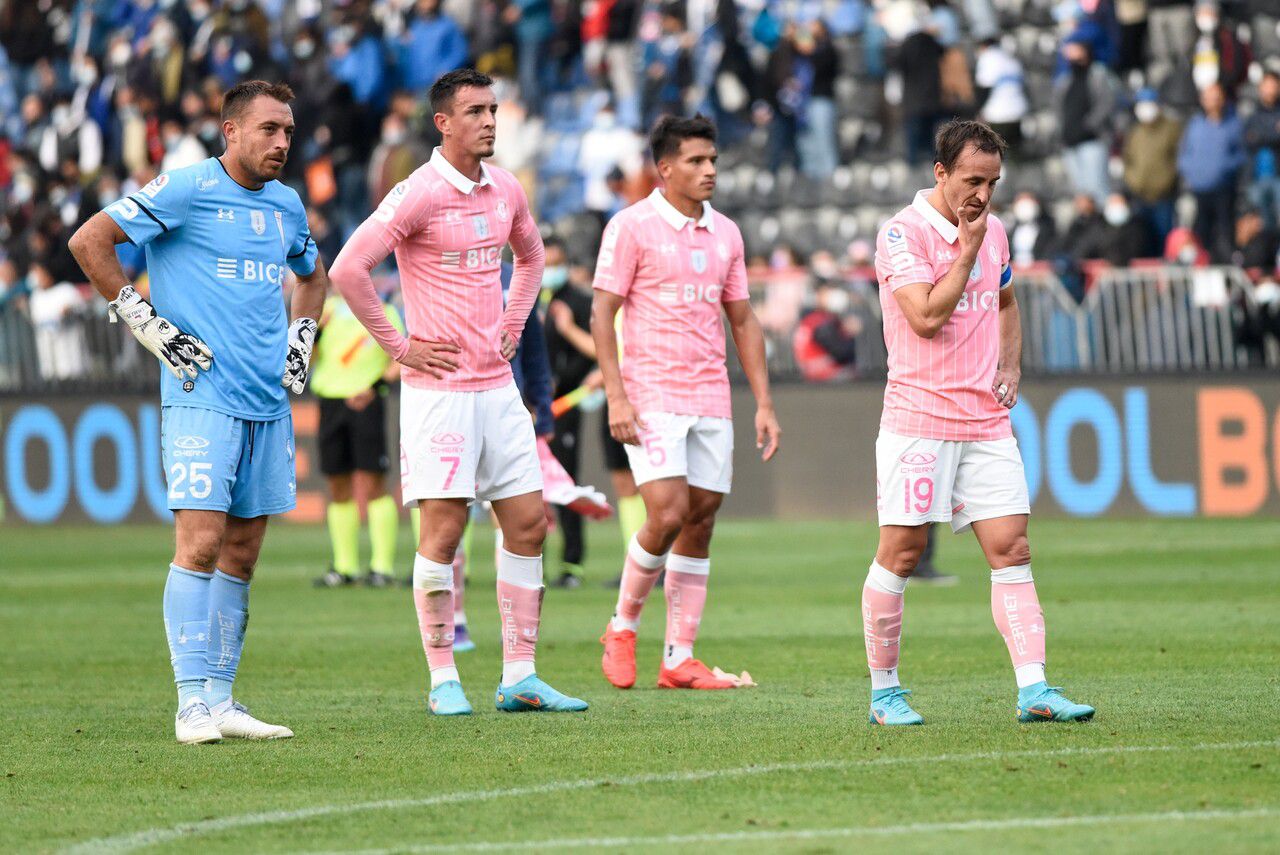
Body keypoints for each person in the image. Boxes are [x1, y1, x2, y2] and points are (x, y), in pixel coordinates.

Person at [67, 80, 329, 744]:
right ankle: (189, 703)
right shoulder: (184, 188)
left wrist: (303, 335)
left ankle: (221, 698)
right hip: (200, 394)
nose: (281, 143)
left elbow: (314, 274)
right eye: (269, 129)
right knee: (202, 543)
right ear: (230, 131)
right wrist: (143, 320)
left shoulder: (286, 205)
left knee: (241, 553)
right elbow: (90, 241)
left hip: (266, 402)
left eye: (289, 132)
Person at [329, 69, 587, 717]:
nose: (491, 121)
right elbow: (347, 269)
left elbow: (531, 260)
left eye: (494, 110)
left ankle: (520, 675)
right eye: (475, 111)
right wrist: (399, 345)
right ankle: (443, 675)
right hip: (437, 391)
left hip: (498, 389)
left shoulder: (506, 188)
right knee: (442, 534)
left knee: (528, 523)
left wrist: (513, 319)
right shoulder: (416, 194)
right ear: (443, 122)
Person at [864, 119, 1094, 726]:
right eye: (972, 180)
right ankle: (885, 693)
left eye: (992, 182)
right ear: (940, 173)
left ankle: (1035, 690)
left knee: (1012, 547)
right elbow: (926, 317)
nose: (983, 195)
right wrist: (965, 250)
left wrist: (1011, 367)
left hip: (984, 422)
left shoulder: (993, 232)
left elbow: (1006, 300)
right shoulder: (900, 236)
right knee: (903, 551)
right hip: (918, 419)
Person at [594, 114, 782, 691]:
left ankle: (679, 656)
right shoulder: (630, 227)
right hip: (651, 392)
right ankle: (622, 625)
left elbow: (743, 321)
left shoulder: (725, 233)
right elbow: (602, 312)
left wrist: (765, 403)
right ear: (665, 167)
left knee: (701, 518)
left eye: (714, 160)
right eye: (698, 161)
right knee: (668, 513)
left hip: (711, 396)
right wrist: (617, 396)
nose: (709, 171)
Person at [311, 293, 404, 589]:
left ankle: (382, 567)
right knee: (337, 483)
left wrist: (375, 388)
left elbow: (400, 357)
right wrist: (318, 330)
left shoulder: (384, 311)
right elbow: (307, 359)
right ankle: (344, 566)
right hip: (330, 402)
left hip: (367, 402)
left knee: (374, 481)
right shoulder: (324, 312)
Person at [1178, 81, 1245, 263]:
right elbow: (1184, 154)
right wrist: (1191, 174)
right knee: (1199, 234)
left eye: (1216, 97)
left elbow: (1241, 155)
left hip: (1223, 189)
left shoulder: (1233, 124)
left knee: (1224, 233)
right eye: (1208, 97)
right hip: (1199, 189)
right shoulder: (1195, 124)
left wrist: (1223, 168)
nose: (1212, 102)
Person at [1054, 38, 1117, 206]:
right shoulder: (1066, 79)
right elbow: (1060, 109)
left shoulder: (1098, 74)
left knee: (1097, 188)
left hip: (1092, 140)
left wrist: (1089, 125)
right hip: (1070, 143)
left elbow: (1107, 102)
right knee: (1081, 193)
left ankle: (1105, 225)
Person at [1123, 88, 1184, 256]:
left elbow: (1178, 158)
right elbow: (1128, 160)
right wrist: (1133, 180)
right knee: (1142, 239)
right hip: (1140, 195)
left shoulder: (1171, 129)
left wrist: (1167, 180)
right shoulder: (1135, 132)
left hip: (1163, 195)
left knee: (1164, 238)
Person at [1244, 69, 1280, 232]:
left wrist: (1261, 136)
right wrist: (1273, 133)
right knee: (1261, 226)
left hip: (1277, 178)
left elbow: (1257, 137)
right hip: (1256, 178)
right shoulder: (1252, 114)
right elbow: (1249, 139)